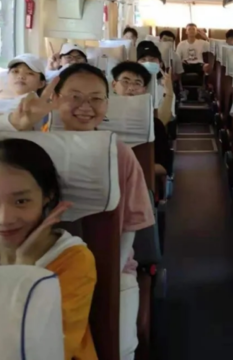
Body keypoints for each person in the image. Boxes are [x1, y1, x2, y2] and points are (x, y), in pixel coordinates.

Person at [0, 138, 98, 360]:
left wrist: (25, 268)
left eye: (21, 201)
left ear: (47, 196)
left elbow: (48, 350)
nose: (5, 219)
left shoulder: (73, 260)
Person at [49, 64, 154, 360]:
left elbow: (130, 225)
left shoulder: (119, 153)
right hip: (45, 269)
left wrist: (108, 275)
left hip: (113, 269)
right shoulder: (32, 148)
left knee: (118, 349)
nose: (86, 107)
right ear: (55, 98)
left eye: (96, 99)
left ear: (107, 104)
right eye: (75, 97)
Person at [176, 23, 210, 102]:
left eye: (193, 29)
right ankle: (182, 90)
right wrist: (181, 61)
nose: (191, 31)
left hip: (198, 64)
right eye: (189, 29)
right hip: (186, 64)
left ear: (196, 31)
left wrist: (205, 36)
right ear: (186, 32)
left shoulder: (202, 43)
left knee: (207, 67)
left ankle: (202, 90)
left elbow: (213, 46)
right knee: (178, 66)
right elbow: (177, 57)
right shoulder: (181, 44)